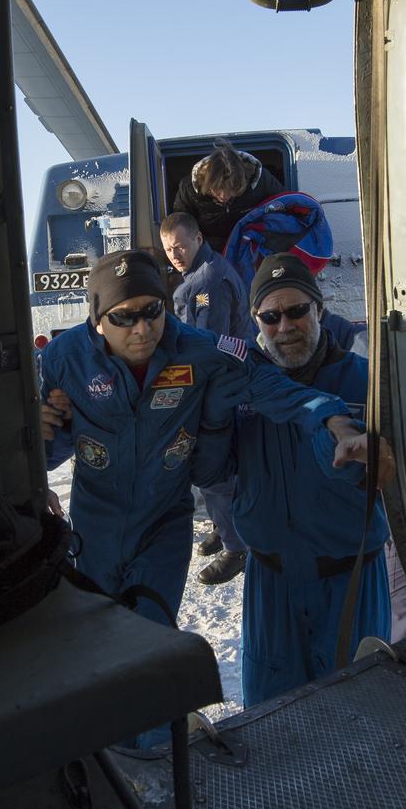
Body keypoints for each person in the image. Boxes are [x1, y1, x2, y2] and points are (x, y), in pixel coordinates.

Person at [38, 250, 367, 644]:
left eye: (152, 311)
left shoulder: (201, 351)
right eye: (124, 317)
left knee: (147, 642)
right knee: (92, 645)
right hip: (93, 532)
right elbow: (45, 446)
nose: (142, 328)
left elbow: (270, 386)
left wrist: (334, 419)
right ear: (97, 320)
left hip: (162, 530)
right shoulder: (64, 358)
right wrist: (37, 437)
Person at [196, 252, 396, 708]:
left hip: (350, 583)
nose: (285, 326)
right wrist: (209, 419)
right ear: (256, 322)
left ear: (319, 310)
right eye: (271, 316)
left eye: (297, 311)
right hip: (272, 586)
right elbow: (211, 472)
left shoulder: (365, 383)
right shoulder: (243, 389)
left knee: (363, 716)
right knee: (273, 720)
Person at [159, 211, 251, 585]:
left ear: (197, 238)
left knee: (214, 471)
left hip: (219, 387)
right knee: (211, 470)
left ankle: (236, 547)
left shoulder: (207, 280)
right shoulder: (198, 274)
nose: (174, 254)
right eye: (168, 249)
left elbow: (207, 348)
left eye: (180, 245)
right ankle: (220, 526)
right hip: (215, 383)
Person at [171, 138, 284, 253]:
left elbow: (283, 207)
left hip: (250, 246)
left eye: (233, 189)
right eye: (217, 189)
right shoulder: (188, 189)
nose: (224, 196)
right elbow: (181, 225)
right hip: (208, 250)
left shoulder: (261, 181)